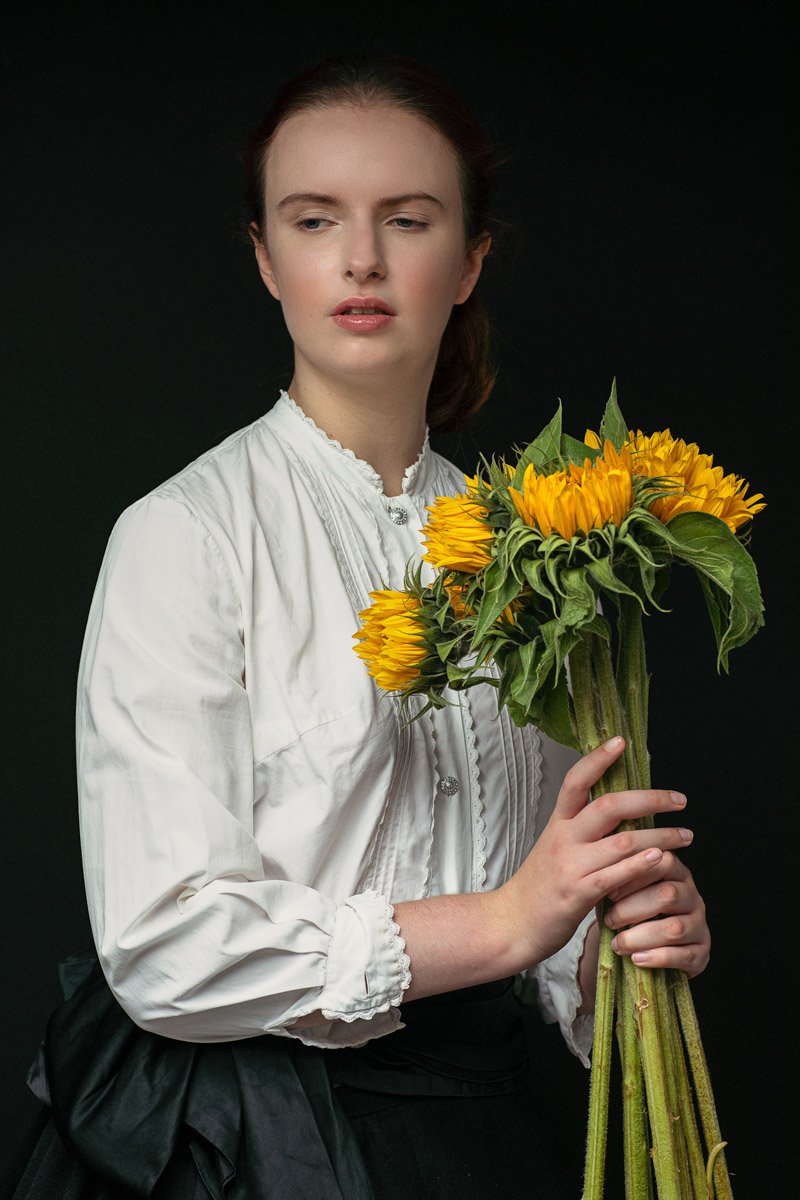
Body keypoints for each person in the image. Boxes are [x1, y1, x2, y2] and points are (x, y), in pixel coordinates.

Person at [4, 55, 710, 1200]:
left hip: (491, 1134)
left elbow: (544, 903)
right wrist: (501, 922)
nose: (362, 257)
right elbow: (164, 945)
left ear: (470, 258)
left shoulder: (529, 550)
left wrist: (622, 936)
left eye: (408, 218)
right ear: (265, 258)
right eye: (315, 217)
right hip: (262, 1149)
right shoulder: (185, 534)